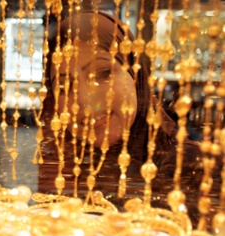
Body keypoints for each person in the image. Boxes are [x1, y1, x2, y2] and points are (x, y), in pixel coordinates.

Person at [38, 10, 209, 220]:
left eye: (102, 74)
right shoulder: (59, 166)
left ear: (135, 75)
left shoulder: (193, 168)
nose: (85, 100)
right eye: (64, 86)